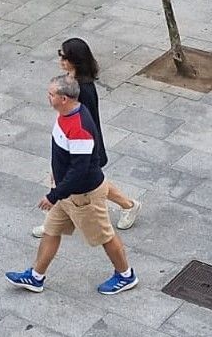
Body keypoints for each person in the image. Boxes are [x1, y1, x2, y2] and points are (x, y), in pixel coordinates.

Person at [7, 75, 139, 295]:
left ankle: (126, 275)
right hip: (68, 194)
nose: (48, 97)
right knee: (51, 230)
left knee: (105, 236)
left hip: (83, 197)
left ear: (65, 99)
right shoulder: (66, 114)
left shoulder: (78, 128)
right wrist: (57, 178)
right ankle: (36, 276)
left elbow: (80, 170)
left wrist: (54, 195)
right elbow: (64, 155)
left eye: (51, 94)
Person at [32, 38, 141, 237]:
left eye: (64, 56)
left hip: (83, 146)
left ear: (75, 60)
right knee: (82, 182)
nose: (61, 59)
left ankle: (128, 205)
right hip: (68, 142)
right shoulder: (70, 80)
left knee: (90, 184)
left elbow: (87, 122)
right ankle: (128, 205)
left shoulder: (85, 89)